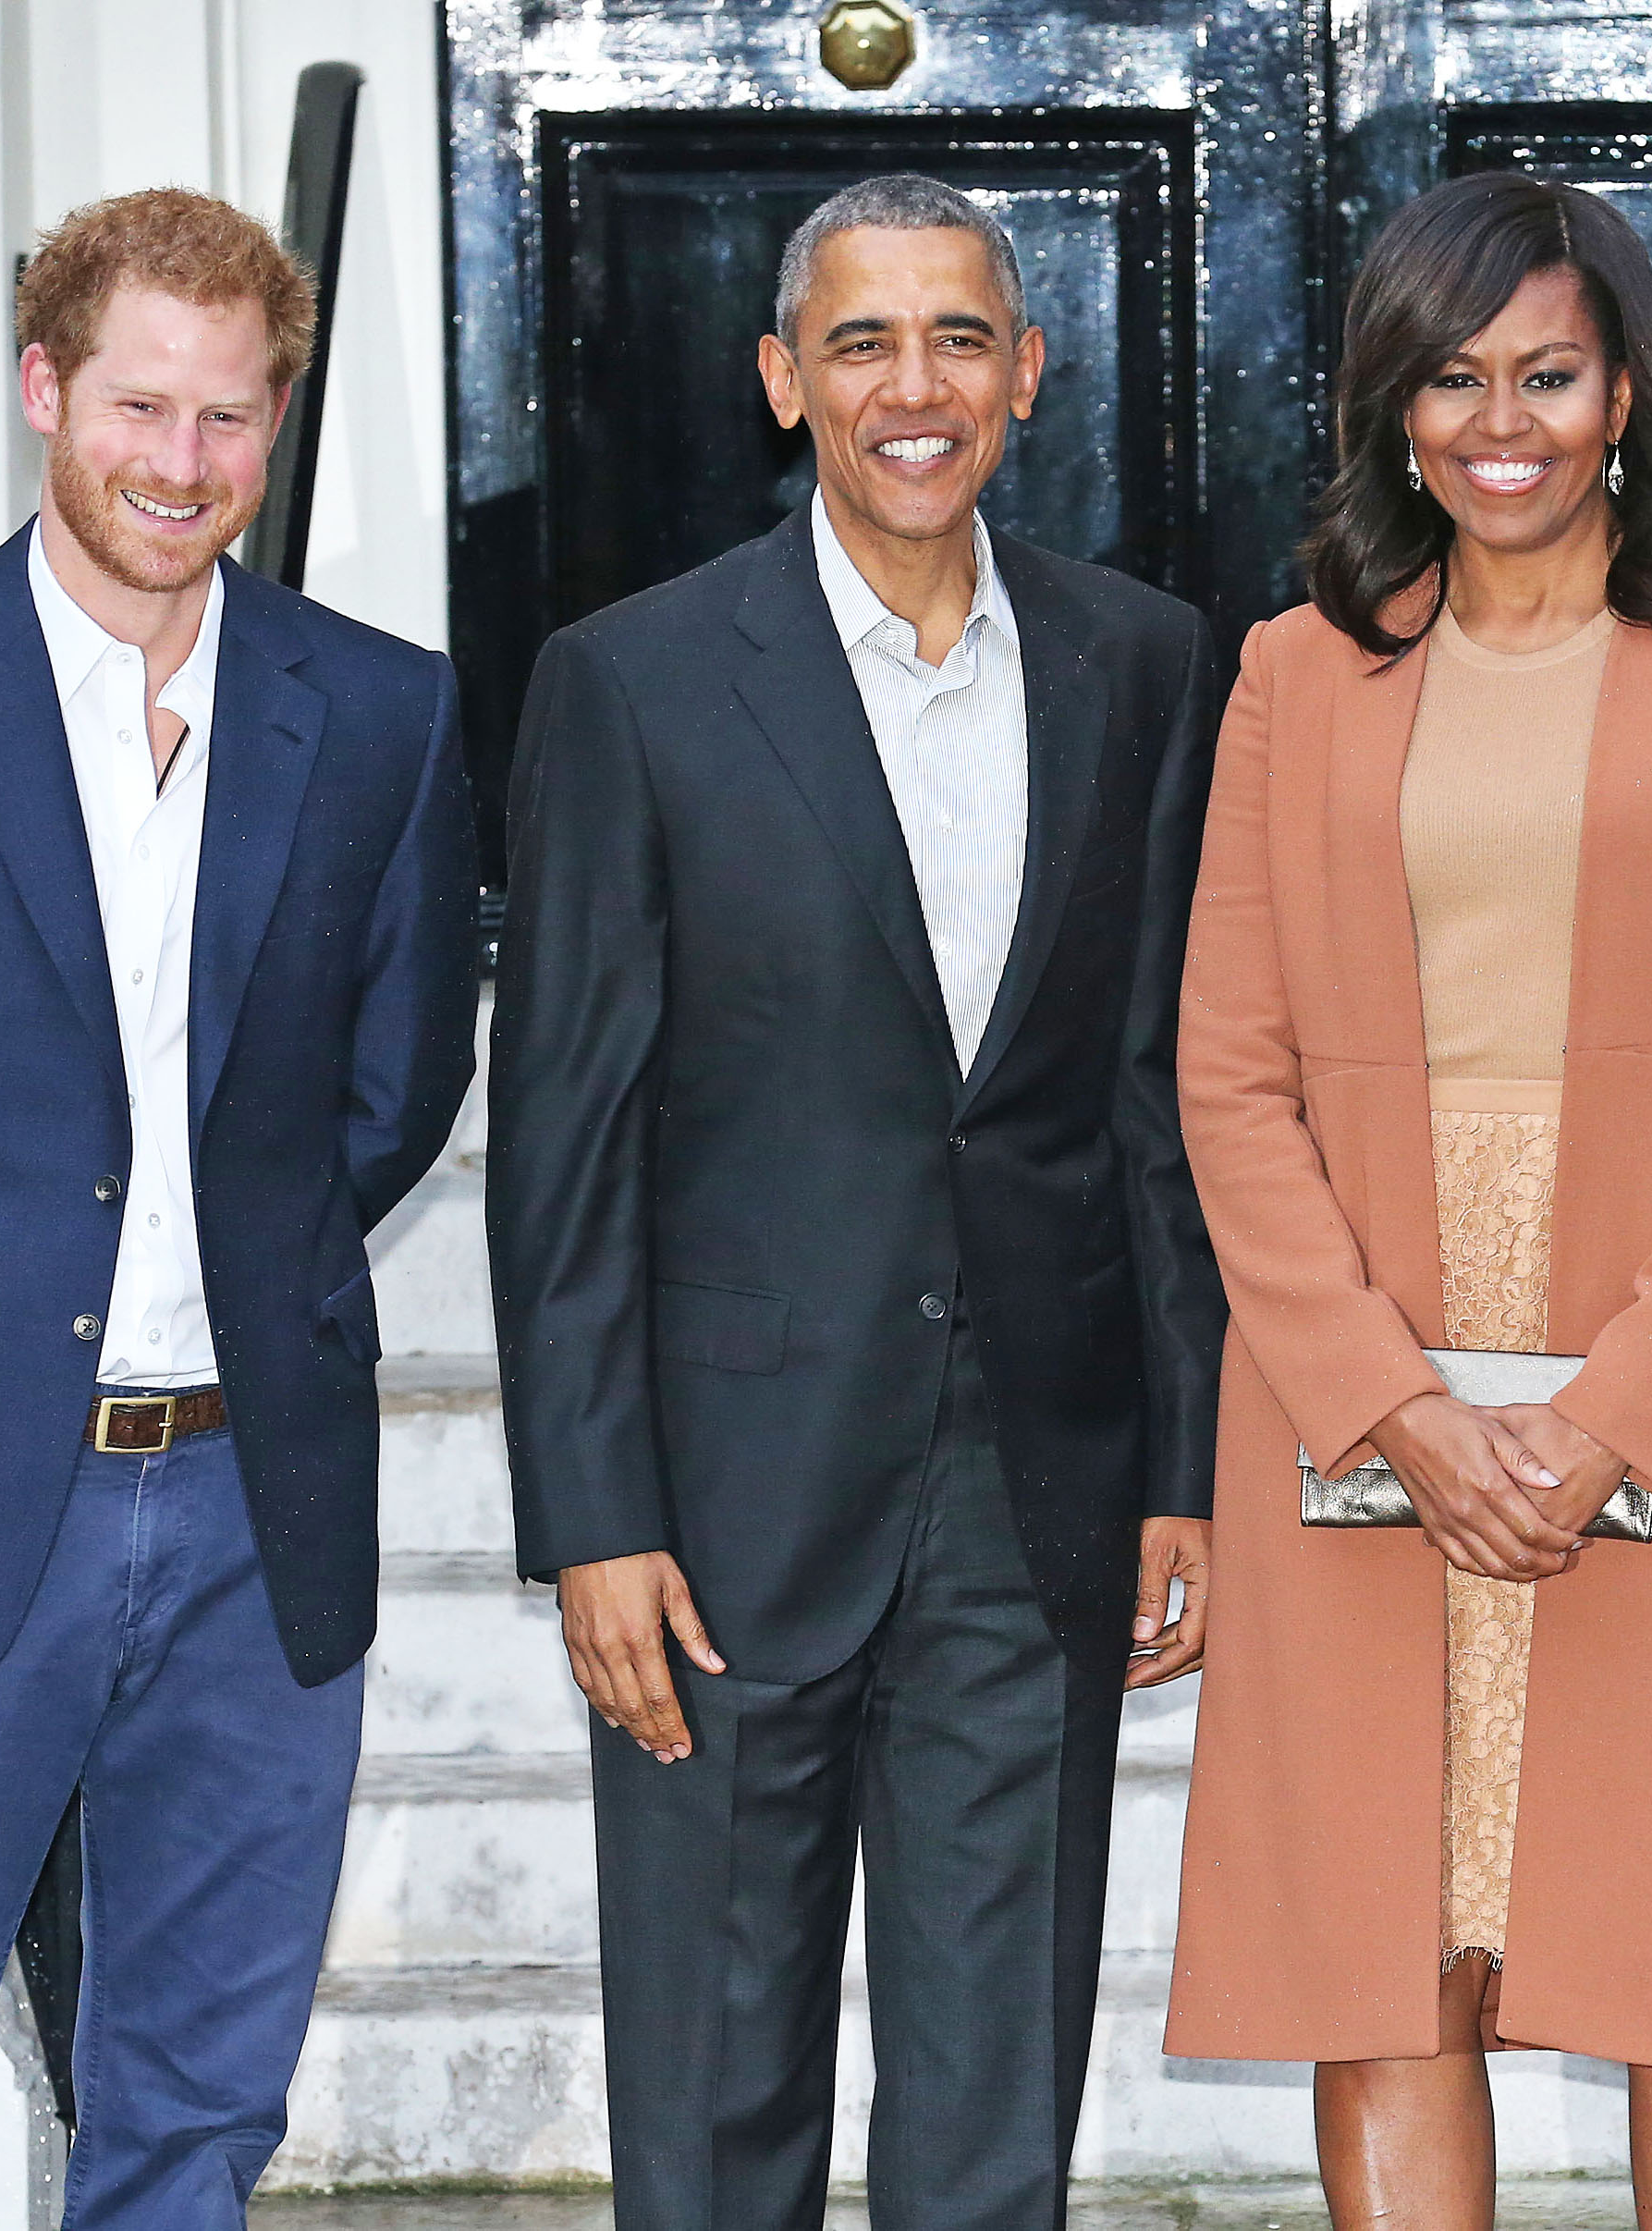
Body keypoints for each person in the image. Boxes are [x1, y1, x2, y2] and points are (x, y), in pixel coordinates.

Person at [0, 188, 479, 2226]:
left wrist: (258, 1271)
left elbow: (399, 1085)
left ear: (273, 428)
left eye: (229, 420)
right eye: (140, 404)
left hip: (253, 1507)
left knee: (197, 2120)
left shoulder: (378, 714)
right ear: (45, 390)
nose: (181, 464)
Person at [488, 174, 1223, 2231]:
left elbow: (1145, 1095)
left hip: (1038, 1481)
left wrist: (1183, 1450)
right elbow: (560, 1137)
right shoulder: (632, 681)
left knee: (995, 2103)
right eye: (865, 341)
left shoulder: (1142, 662)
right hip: (723, 1494)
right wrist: (591, 1518)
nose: (917, 387)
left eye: (961, 336)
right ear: (781, 380)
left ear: (1027, 371)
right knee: (718, 2106)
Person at [1165, 172, 1652, 2230]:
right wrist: (1393, 1406)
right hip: (1359, 1356)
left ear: (1626, 390)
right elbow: (1228, 1070)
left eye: (1547, 373)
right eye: (1453, 378)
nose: (1503, 422)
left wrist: (1606, 1415)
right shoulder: (1297, 674)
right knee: (1388, 1971)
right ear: (1395, 412)